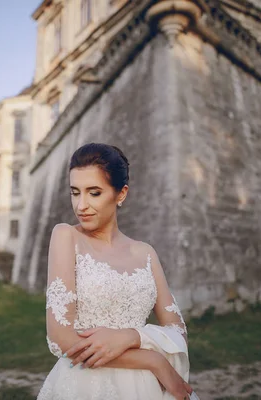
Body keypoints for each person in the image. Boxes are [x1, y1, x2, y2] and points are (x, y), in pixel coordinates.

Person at [37, 143, 195, 400]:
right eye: (75, 192)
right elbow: (61, 338)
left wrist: (131, 336)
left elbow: (178, 332)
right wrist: (155, 361)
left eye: (94, 193)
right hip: (85, 384)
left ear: (121, 194)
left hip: (146, 389)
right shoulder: (66, 236)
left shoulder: (145, 253)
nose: (81, 205)